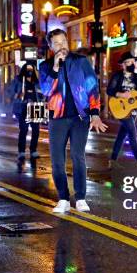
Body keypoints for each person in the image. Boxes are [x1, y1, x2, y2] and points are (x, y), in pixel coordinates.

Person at [39, 29, 108, 214]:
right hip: (57, 119)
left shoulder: (80, 61)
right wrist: (55, 68)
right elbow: (46, 90)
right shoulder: (45, 66)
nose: (62, 46)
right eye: (57, 43)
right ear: (51, 47)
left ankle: (80, 198)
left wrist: (94, 113)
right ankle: (62, 198)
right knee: (58, 161)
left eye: (64, 41)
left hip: (80, 117)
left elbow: (92, 87)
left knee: (78, 157)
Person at [106, 52, 137, 169]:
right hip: (119, 107)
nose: (132, 64)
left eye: (133, 62)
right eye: (129, 62)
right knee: (132, 133)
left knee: (121, 135)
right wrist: (122, 95)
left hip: (132, 110)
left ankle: (112, 161)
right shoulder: (117, 76)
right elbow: (109, 91)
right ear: (123, 65)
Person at [12, 62, 42, 169]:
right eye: (27, 69)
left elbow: (43, 93)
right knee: (23, 130)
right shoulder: (18, 80)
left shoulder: (37, 82)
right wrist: (18, 95)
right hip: (23, 107)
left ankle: (33, 150)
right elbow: (10, 92)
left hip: (35, 107)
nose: (29, 72)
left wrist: (42, 98)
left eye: (31, 69)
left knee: (36, 130)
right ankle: (21, 151)